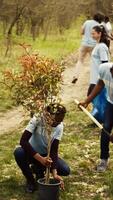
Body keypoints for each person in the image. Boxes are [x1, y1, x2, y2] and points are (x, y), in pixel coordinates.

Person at [14, 103, 70, 193]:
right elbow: (23, 141)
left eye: (60, 121)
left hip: (45, 155)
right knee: (19, 153)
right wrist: (41, 159)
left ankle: (38, 169)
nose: (58, 124)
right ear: (48, 116)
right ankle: (31, 181)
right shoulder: (38, 118)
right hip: (31, 153)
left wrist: (55, 174)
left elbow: (54, 150)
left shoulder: (59, 126)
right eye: (56, 121)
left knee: (65, 170)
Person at [79, 62, 113, 172]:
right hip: (111, 102)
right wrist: (86, 101)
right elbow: (100, 84)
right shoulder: (104, 68)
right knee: (106, 128)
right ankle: (103, 159)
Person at [72, 12, 104, 84]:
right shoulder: (99, 25)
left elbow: (81, 32)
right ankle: (95, 78)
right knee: (94, 61)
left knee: (80, 60)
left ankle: (76, 76)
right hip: (93, 45)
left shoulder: (87, 22)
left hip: (84, 44)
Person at [88, 25, 110, 123]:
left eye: (94, 33)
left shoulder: (101, 47)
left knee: (98, 98)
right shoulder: (98, 45)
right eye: (91, 33)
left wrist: (101, 78)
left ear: (100, 33)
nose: (92, 35)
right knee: (96, 98)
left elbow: (105, 63)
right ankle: (99, 117)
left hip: (99, 78)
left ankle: (103, 118)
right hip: (94, 77)